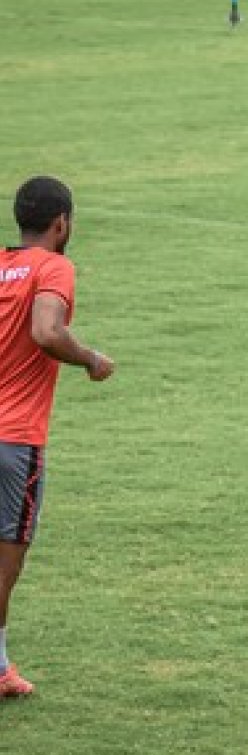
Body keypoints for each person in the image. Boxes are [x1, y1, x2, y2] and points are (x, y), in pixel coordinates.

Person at [0, 177, 114, 696]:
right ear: (62, 222)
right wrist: (91, 359)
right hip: (14, 439)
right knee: (8, 553)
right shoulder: (53, 267)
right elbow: (46, 332)